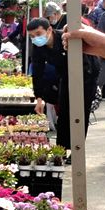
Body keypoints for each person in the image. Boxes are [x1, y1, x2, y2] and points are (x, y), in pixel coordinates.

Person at [27, 18, 98, 149]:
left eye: (38, 34)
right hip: (65, 76)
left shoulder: (65, 38)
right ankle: (62, 148)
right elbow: (37, 73)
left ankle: (77, 149)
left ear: (49, 29)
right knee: (64, 113)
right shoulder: (38, 47)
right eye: (32, 36)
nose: (36, 38)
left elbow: (86, 62)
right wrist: (39, 98)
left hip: (86, 75)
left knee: (80, 113)